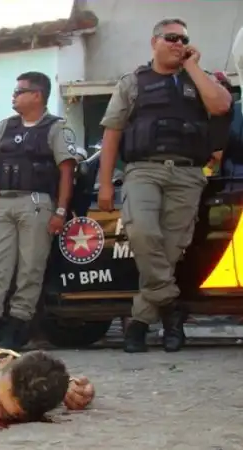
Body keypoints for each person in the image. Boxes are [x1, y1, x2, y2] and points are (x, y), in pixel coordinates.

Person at [97, 18, 232, 353]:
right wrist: (105, 184)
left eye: (183, 39)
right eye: (171, 38)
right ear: (153, 42)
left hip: (187, 175)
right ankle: (171, 307)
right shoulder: (133, 82)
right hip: (143, 171)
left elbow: (221, 106)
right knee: (143, 234)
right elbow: (112, 133)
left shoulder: (199, 79)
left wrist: (193, 67)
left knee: (169, 251)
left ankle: (140, 322)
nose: (178, 44)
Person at [0, 72, 77, 351]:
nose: (14, 95)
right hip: (5, 202)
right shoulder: (5, 127)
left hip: (37, 202)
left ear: (37, 95)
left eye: (20, 91)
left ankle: (19, 325)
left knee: (30, 267)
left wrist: (60, 210)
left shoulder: (55, 128)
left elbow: (67, 170)